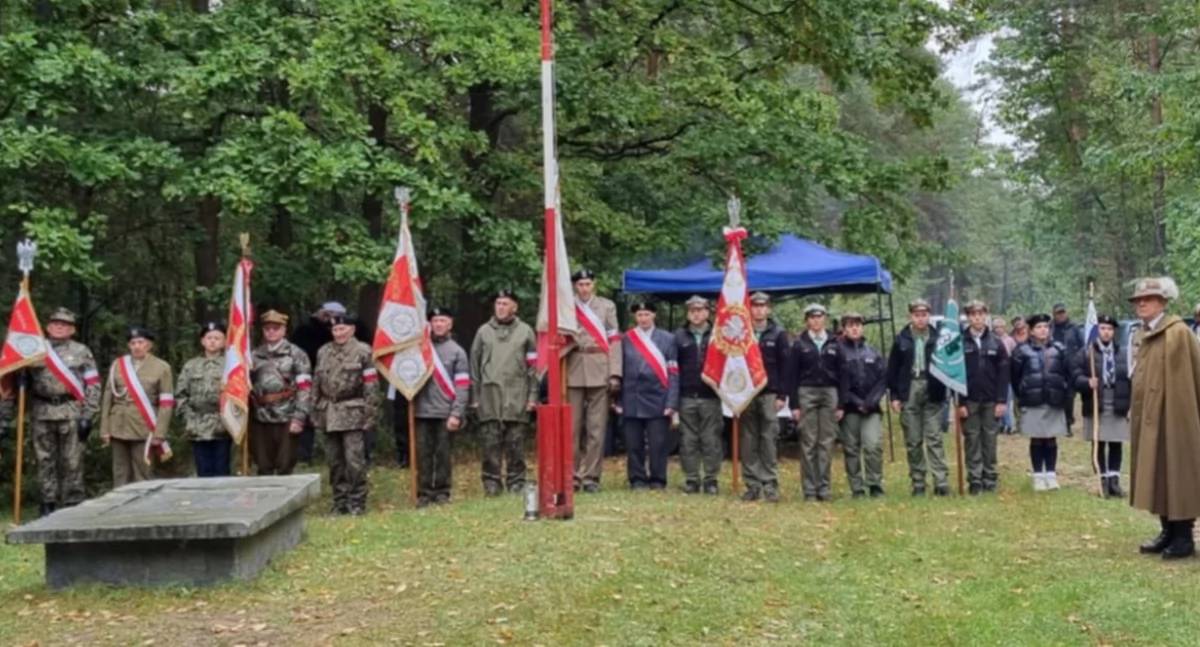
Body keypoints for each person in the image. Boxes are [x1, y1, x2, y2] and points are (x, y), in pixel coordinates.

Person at [1127, 277, 1200, 559]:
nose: (1141, 304)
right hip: (1151, 417)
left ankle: (1183, 537)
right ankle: (1167, 530)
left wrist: (1179, 416)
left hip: (1175, 417)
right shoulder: (1145, 333)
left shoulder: (1177, 333)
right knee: (1156, 470)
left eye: (1148, 299)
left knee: (1177, 470)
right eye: (1138, 301)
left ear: (1163, 302)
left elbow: (1187, 379)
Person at [27, 307, 100, 515]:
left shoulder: (82, 351)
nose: (59, 327)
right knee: (44, 459)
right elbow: (21, 384)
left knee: (72, 460)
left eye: (65, 324)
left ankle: (72, 503)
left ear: (72, 330)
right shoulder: (34, 349)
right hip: (42, 410)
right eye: (56, 323)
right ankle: (47, 502)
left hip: (70, 410)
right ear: (48, 327)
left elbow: (93, 384)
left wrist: (88, 414)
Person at [470, 290, 538, 496]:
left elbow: (533, 368)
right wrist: (475, 397)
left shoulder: (526, 331)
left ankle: (516, 482)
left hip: (517, 394)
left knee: (515, 443)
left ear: (514, 307)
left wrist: (532, 397)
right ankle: (491, 483)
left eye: (505, 303)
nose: (500, 307)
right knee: (490, 442)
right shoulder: (483, 332)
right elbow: (474, 365)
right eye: (498, 303)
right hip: (489, 395)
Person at [312, 314, 379, 515]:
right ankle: (339, 500)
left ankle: (357, 501)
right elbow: (317, 382)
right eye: (335, 330)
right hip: (329, 412)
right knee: (334, 460)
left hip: (352, 412)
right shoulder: (324, 352)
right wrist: (314, 409)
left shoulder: (363, 352)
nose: (339, 333)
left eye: (342, 329)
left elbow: (371, 385)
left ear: (352, 330)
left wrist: (370, 413)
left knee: (354, 460)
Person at [566, 269, 622, 494]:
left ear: (594, 285)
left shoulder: (607, 307)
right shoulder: (567, 307)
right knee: (571, 429)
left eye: (587, 284)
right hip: (573, 369)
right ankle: (572, 477)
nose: (584, 288)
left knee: (596, 430)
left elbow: (615, 340)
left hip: (600, 367)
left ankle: (591, 478)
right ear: (575, 287)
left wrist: (615, 372)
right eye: (580, 285)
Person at [887, 299, 949, 497]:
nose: (921, 319)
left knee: (934, 438)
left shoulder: (939, 337)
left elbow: (948, 365)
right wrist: (895, 396)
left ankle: (941, 481)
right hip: (910, 388)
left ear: (929, 316)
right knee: (913, 440)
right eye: (917, 315)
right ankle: (918, 482)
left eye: (924, 315)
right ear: (910, 316)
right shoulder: (902, 339)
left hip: (933, 389)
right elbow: (893, 369)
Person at [100, 327, 174, 487]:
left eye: (141, 342)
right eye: (133, 343)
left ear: (149, 345)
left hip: (144, 426)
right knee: (119, 472)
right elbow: (107, 398)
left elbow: (166, 403)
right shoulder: (118, 365)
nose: (136, 346)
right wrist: (105, 428)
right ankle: (118, 506)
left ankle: (144, 506)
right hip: (118, 425)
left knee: (143, 471)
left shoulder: (161, 367)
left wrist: (160, 432)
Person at [617, 301, 679, 490]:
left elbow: (673, 371)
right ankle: (637, 478)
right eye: (639, 315)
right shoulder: (626, 338)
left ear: (654, 315)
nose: (643, 318)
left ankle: (658, 479)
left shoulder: (668, 339)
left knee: (658, 444)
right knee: (633, 443)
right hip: (632, 396)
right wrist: (618, 399)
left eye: (646, 314)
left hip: (658, 396)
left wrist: (672, 401)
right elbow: (619, 370)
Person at [412, 307, 469, 507]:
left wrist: (456, 413)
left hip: (445, 412)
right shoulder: (419, 349)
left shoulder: (457, 352)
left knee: (443, 454)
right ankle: (424, 492)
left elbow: (462, 386)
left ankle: (443, 491)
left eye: (442, 320)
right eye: (435, 320)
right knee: (423, 455)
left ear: (450, 324)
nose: (438, 324)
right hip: (421, 411)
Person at [788, 303, 843, 502]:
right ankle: (810, 489)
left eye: (819, 317)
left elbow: (843, 373)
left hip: (830, 392)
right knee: (808, 441)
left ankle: (824, 487)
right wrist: (794, 404)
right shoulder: (799, 344)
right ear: (807, 321)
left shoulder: (835, 342)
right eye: (812, 317)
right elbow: (792, 375)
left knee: (826, 442)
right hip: (806, 392)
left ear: (825, 319)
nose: (816, 321)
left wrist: (841, 403)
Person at [1010, 313, 1071, 491]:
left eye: (1045, 326)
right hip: (1033, 400)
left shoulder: (1059, 348)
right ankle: (1038, 475)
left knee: (1051, 438)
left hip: (1054, 398)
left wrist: (1064, 392)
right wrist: (1022, 392)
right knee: (1037, 438)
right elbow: (1015, 376)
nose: (1043, 330)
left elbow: (1067, 372)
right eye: (1038, 327)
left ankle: (1051, 474)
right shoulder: (1022, 350)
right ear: (1031, 331)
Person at [1072, 314, 1130, 499]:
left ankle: (1114, 480)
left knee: (1115, 441)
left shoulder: (1123, 352)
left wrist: (1131, 403)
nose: (1106, 332)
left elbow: (1131, 378)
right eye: (1103, 328)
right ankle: (1102, 479)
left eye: (1110, 329)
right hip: (1096, 401)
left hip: (1117, 400)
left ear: (1114, 332)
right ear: (1098, 330)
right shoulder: (1086, 353)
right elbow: (1075, 376)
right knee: (1099, 442)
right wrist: (1087, 381)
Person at [250, 310, 313, 476]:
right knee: (262, 463)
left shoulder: (297, 354)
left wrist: (299, 417)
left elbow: (305, 388)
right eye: (268, 328)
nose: (271, 332)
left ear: (284, 330)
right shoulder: (254, 355)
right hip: (260, 416)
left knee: (285, 463)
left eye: (276, 328)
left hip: (287, 414)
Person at [741, 292, 789, 502]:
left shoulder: (778, 334)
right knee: (748, 440)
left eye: (763, 306)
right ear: (749, 309)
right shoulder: (741, 332)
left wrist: (782, 395)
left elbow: (786, 366)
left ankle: (769, 484)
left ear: (768, 309)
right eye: (755, 306)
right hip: (746, 393)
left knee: (768, 439)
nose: (759, 309)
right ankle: (752, 484)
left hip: (769, 393)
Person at [958, 301, 1009, 494]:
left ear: (986, 315)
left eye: (980, 313)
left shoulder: (996, 342)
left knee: (990, 439)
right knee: (972, 440)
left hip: (991, 400)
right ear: (968, 317)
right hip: (969, 400)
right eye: (973, 314)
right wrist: (960, 403)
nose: (977, 317)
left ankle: (990, 476)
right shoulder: (959, 342)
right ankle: (975, 479)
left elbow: (1004, 374)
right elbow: (954, 375)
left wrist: (1002, 400)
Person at [836, 312, 887, 498]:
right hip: (849, 408)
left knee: (872, 445)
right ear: (844, 329)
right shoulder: (839, 351)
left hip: (871, 409)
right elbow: (838, 382)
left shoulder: (872, 351)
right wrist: (856, 402)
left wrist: (871, 401)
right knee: (851, 448)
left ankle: (874, 484)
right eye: (850, 325)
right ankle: (856, 488)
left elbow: (883, 379)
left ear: (862, 327)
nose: (854, 328)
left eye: (857, 324)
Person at [675, 296, 721, 495]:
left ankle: (711, 479)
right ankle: (692, 479)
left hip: (711, 395)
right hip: (687, 395)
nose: (696, 314)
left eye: (700, 310)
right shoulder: (679, 336)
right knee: (688, 440)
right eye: (692, 310)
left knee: (711, 440)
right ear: (688, 313)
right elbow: (673, 368)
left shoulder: (718, 335)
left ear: (707, 312)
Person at [289, 301, 343, 464]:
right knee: (305, 415)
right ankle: (303, 455)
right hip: (309, 376)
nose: (330, 319)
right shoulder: (305, 330)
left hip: (334, 379)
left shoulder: (336, 331)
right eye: (328, 315)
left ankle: (337, 455)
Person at [176, 321, 231, 477]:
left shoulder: (230, 364)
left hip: (223, 424)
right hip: (197, 424)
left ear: (225, 341)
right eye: (209, 338)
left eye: (217, 338)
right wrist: (188, 418)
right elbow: (181, 394)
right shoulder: (191, 366)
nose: (212, 341)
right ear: (202, 341)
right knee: (203, 470)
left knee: (222, 470)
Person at [1052, 303, 1083, 432]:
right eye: (1058, 313)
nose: (1061, 315)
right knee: (1056, 394)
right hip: (1054, 366)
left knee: (1069, 396)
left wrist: (1077, 360)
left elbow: (1082, 345)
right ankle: (1056, 422)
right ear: (1054, 314)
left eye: (1063, 312)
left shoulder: (1074, 328)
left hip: (1071, 367)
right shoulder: (1049, 328)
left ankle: (1068, 423)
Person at [993, 317, 1017, 434]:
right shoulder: (992, 340)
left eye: (1000, 327)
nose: (998, 329)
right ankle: (1001, 424)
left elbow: (1015, 356)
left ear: (1005, 327)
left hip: (1008, 374)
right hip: (995, 374)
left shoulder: (1010, 340)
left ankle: (1010, 424)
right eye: (996, 327)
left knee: (1007, 401)